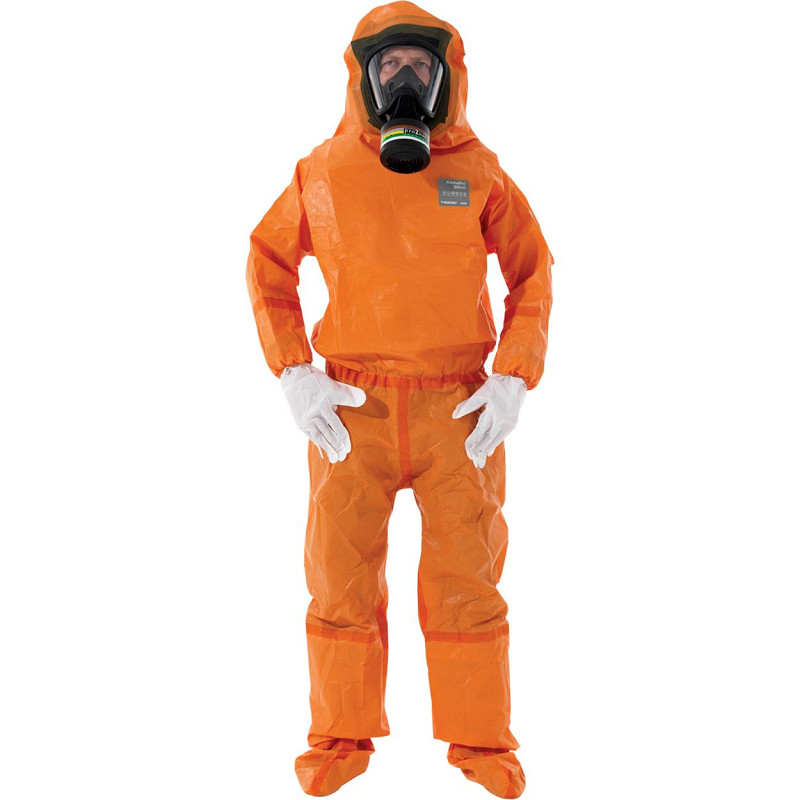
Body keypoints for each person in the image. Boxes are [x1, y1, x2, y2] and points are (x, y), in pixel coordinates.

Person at [245, 2, 554, 796]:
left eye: (422, 66)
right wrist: (295, 372)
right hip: (353, 408)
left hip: (460, 412)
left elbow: (532, 271)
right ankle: (338, 740)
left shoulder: (479, 172)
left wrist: (513, 375)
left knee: (468, 584)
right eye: (391, 66)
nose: (407, 80)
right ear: (365, 79)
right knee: (338, 579)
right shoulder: (323, 171)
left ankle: (482, 745)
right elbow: (269, 261)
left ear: (448, 79)